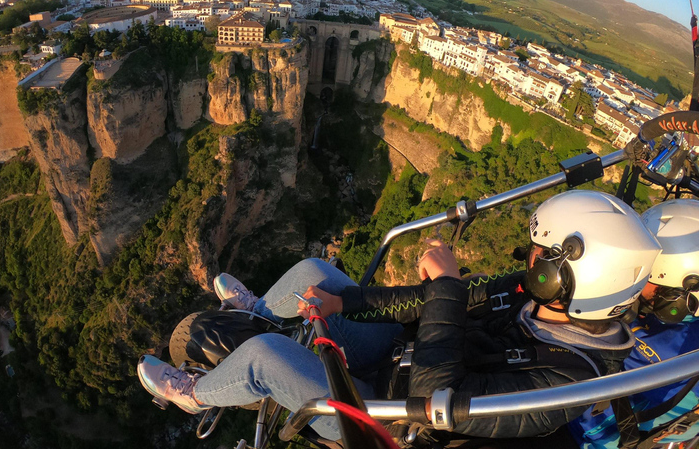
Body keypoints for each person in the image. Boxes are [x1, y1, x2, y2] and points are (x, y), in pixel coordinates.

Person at [137, 190, 661, 441]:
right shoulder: (531, 298)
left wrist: (449, 290)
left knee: (263, 358)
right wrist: (346, 304)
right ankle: (259, 314)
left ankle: (195, 396)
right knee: (314, 272)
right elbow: (429, 304)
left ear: (568, 280)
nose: (528, 263)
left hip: (387, 424)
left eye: (538, 259)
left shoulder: (567, 383)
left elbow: (433, 403)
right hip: (395, 355)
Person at [567, 198, 699, 449]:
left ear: (678, 293)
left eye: (646, 274)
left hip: (578, 435)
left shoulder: (676, 351)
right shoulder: (675, 321)